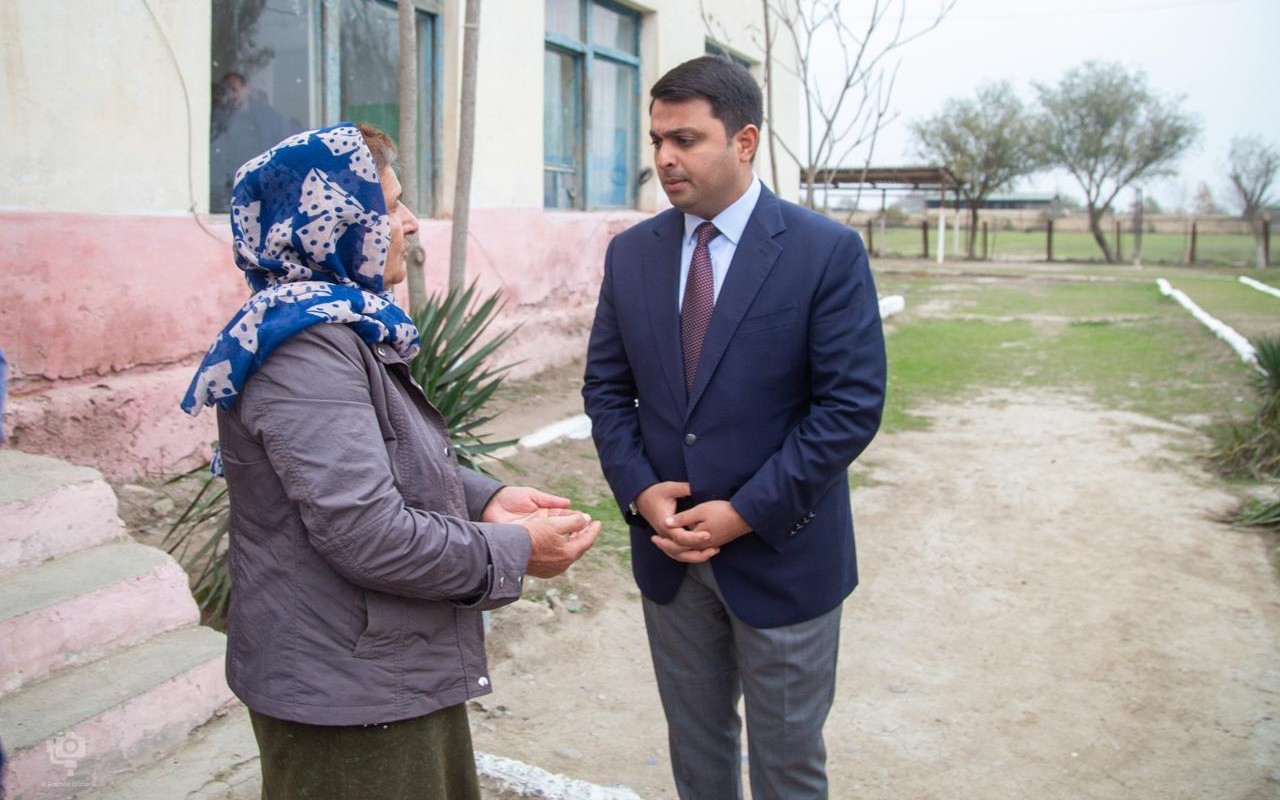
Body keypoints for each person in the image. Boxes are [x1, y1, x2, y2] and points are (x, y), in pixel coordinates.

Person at [182, 122, 600, 799]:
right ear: (334, 221)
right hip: (347, 695)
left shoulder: (337, 325)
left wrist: (484, 500)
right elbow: (368, 533)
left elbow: (382, 461)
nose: (409, 223)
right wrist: (514, 550)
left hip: (379, 669)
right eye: (392, 205)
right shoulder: (305, 349)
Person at [582, 56, 886, 799]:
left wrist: (745, 512)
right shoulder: (632, 255)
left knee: (787, 769)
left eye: (685, 139)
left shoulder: (825, 253)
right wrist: (641, 491)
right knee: (699, 758)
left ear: (744, 141)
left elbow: (849, 407)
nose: (664, 158)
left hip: (783, 558)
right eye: (657, 139)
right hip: (670, 560)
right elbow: (606, 390)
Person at [210, 72, 298, 212]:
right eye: (226, 91)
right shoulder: (218, 118)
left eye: (234, 89)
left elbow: (285, 144)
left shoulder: (267, 116)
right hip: (230, 186)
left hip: (263, 183)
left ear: (246, 89)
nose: (231, 95)